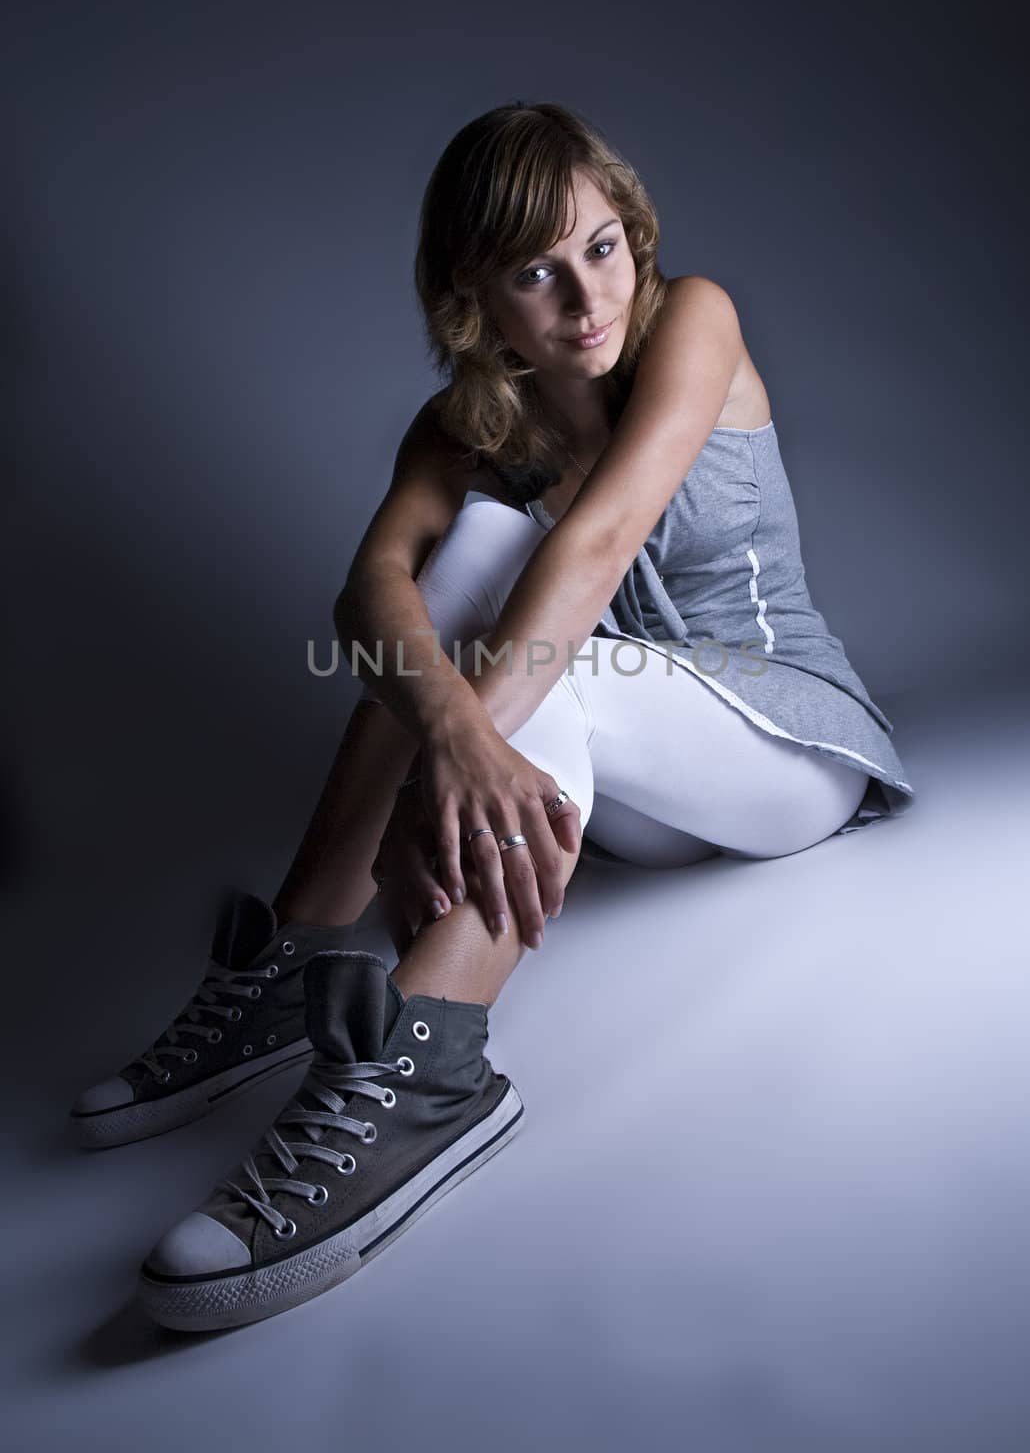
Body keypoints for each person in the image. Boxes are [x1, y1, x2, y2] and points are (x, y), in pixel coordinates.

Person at [70, 101, 915, 1331]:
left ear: (632, 231)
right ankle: (293, 962)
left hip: (781, 753)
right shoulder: (471, 423)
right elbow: (367, 594)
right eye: (535, 272)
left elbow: (599, 544)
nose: (585, 298)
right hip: (612, 785)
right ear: (475, 297)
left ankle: (429, 1068)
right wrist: (456, 739)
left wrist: (450, 758)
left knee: (533, 640)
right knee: (453, 576)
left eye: (600, 247)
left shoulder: (695, 319)